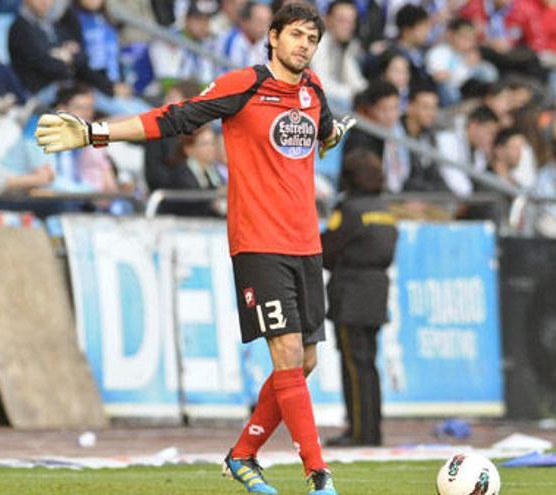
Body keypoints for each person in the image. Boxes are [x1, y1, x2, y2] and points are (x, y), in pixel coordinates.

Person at [34, 3, 355, 493]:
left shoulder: (313, 90)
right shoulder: (242, 84)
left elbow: (324, 132)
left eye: (312, 39)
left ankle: (243, 455)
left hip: (305, 244)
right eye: (295, 35)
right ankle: (319, 476)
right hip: (259, 243)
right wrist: (97, 132)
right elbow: (174, 118)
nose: (304, 46)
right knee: (287, 354)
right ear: (272, 38)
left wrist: (330, 136)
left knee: (304, 363)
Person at [321, 149, 397, 447]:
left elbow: (327, 249)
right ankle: (372, 429)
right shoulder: (384, 209)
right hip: (377, 290)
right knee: (369, 364)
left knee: (354, 364)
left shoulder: (349, 210)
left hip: (350, 291)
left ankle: (358, 431)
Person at [343, 80, 409, 193]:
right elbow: (364, 183)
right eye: (384, 109)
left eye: (395, 108)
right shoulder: (359, 139)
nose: (391, 115)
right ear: (371, 109)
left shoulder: (398, 131)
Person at [309, 0, 367, 111]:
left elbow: (356, 81)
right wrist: (353, 94)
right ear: (327, 20)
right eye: (342, 21)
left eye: (351, 22)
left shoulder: (344, 47)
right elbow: (321, 84)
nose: (347, 26)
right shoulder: (317, 43)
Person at [426, 19, 499, 106]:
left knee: (487, 70)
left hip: (465, 84)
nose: (467, 42)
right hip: (448, 90)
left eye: (471, 39)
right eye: (463, 37)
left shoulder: (469, 54)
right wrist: (464, 65)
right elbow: (439, 77)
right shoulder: (439, 52)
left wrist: (475, 64)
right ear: (451, 35)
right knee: (448, 87)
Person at [214, 1, 272, 75]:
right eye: (259, 21)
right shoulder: (229, 40)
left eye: (267, 21)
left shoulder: (269, 40)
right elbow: (228, 75)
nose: (264, 26)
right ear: (245, 22)